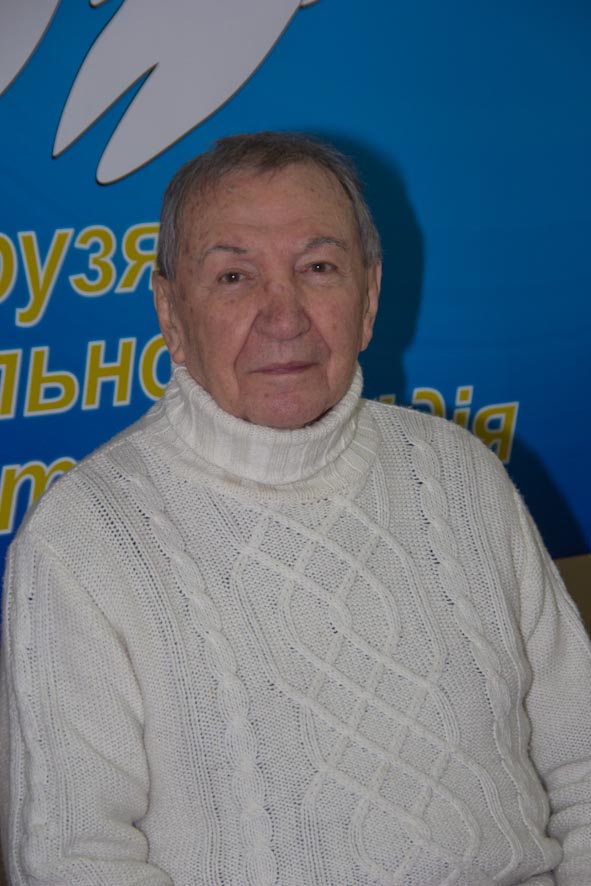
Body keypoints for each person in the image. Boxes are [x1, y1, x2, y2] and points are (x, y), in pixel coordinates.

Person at [1, 131, 590, 886]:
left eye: (318, 268)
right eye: (234, 276)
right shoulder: (83, 539)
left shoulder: (458, 472)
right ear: (171, 312)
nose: (284, 317)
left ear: (368, 297)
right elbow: (72, 860)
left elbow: (579, 761)